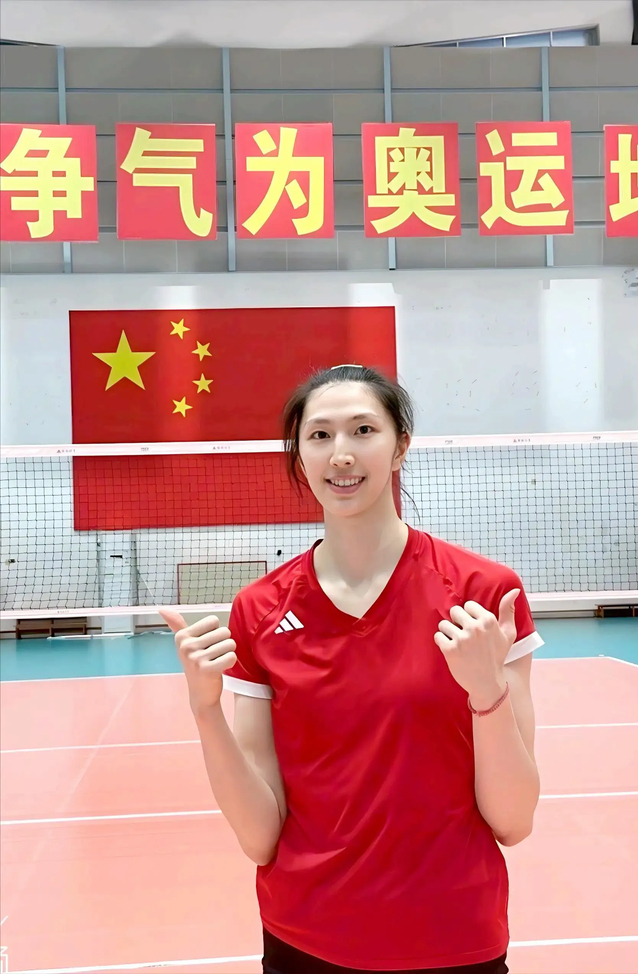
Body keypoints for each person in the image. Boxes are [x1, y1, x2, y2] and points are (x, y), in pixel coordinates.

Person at [161, 365, 543, 974]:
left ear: (400, 446)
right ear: (300, 455)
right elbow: (260, 837)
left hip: (453, 936)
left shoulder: (484, 596)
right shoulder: (259, 609)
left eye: (363, 430)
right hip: (304, 939)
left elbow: (514, 821)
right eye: (320, 435)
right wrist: (205, 711)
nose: (341, 453)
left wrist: (487, 693)